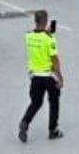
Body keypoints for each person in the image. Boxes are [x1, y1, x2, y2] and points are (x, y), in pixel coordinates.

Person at [18, 10, 64, 143]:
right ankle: (53, 130)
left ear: (35, 21)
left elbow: (38, 36)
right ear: (46, 21)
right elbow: (54, 59)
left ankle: (25, 122)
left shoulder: (28, 36)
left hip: (35, 77)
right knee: (54, 101)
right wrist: (60, 77)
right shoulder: (49, 39)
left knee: (36, 102)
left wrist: (46, 32)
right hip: (48, 76)